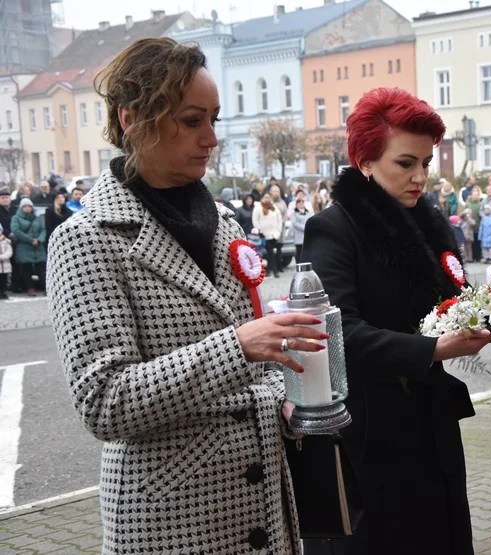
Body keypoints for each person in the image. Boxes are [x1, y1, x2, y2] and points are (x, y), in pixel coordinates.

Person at [46, 37, 317, 553]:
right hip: (170, 522)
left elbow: (257, 363)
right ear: (131, 118)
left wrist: (287, 397)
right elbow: (104, 402)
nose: (212, 138)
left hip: (264, 514)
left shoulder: (224, 221)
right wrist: (237, 347)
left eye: (214, 119)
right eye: (193, 120)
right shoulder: (86, 238)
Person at [301, 87, 491, 555]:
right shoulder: (333, 228)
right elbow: (334, 332)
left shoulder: (425, 224)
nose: (420, 177)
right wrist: (433, 350)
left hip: (428, 423)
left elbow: (451, 306)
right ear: (366, 161)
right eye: (405, 163)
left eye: (427, 164)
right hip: (369, 434)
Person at [11, 198, 46, 295]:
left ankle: (46, 287)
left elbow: (43, 229)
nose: (27, 208)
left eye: (29, 206)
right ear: (21, 208)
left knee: (42, 268)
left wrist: (39, 240)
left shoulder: (38, 217)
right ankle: (30, 288)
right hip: (24, 246)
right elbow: (17, 231)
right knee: (26, 269)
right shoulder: (16, 218)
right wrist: (31, 240)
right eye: (25, 206)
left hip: (38, 246)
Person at [252, 193, 284, 277]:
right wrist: (259, 231)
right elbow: (255, 220)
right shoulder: (258, 207)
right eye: (265, 197)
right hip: (264, 234)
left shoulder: (274, 208)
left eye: (268, 197)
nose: (267, 199)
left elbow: (279, 219)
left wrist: (278, 231)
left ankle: (271, 269)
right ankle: (273, 270)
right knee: (270, 252)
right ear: (262, 198)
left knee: (272, 252)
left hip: (274, 234)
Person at [290, 191, 312, 263]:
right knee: (299, 252)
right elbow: (294, 223)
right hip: (299, 235)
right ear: (296, 205)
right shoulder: (294, 213)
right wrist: (304, 227)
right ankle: (299, 264)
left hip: (307, 235)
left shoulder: (308, 213)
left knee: (307, 251)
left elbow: (310, 220)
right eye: (299, 203)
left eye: (302, 203)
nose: (301, 204)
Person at [0, 224, 11, 299]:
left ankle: (3, 291)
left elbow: (9, 252)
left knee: (4, 279)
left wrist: (1, 257)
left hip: (5, 265)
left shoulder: (6, 241)